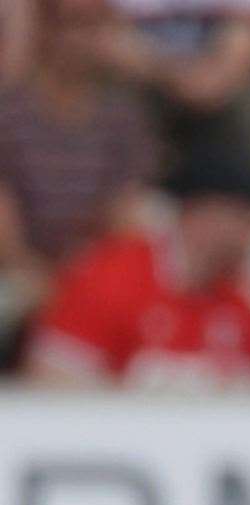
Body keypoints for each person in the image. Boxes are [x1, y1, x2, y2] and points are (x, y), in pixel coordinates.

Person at [24, 145, 250, 387]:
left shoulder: (243, 295)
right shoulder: (113, 276)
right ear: (205, 215)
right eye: (248, 220)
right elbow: (53, 381)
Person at [0, 0, 158, 370]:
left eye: (95, 27)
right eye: (73, 26)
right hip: (16, 264)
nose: (83, 41)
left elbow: (125, 210)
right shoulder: (9, 110)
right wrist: (26, 268)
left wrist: (89, 278)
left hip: (88, 267)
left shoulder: (121, 114)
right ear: (45, 31)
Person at [98, 0, 250, 190]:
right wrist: (171, 74)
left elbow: (249, 35)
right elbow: (106, 36)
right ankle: (127, 199)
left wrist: (206, 80)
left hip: (224, 77)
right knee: (109, 95)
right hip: (141, 76)